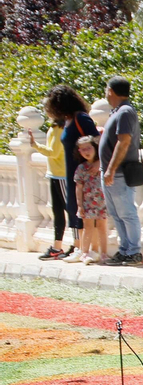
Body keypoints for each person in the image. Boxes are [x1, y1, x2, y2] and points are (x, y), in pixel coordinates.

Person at [42, 86, 93, 260]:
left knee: (79, 210)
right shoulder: (68, 120)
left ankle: (81, 248)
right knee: (73, 208)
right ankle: (79, 249)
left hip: (82, 172)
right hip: (72, 172)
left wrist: (96, 163)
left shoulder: (81, 118)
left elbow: (95, 140)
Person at [100, 77, 143, 265]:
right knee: (117, 215)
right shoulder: (118, 112)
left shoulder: (125, 112)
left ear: (110, 91)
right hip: (111, 173)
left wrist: (111, 169)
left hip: (119, 173)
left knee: (126, 213)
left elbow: (124, 141)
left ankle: (134, 252)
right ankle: (124, 250)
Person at [27, 106, 68, 260]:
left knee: (70, 211)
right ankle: (57, 248)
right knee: (58, 212)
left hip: (62, 175)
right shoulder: (56, 127)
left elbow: (53, 152)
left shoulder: (59, 129)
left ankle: (79, 246)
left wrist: (35, 145)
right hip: (56, 174)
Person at [72, 137, 108, 264]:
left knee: (102, 227)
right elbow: (79, 187)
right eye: (83, 149)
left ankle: (104, 253)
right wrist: (80, 205)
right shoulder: (82, 168)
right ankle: (85, 253)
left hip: (102, 202)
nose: (86, 151)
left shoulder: (103, 164)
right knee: (88, 227)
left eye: (88, 148)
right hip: (88, 203)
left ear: (95, 147)